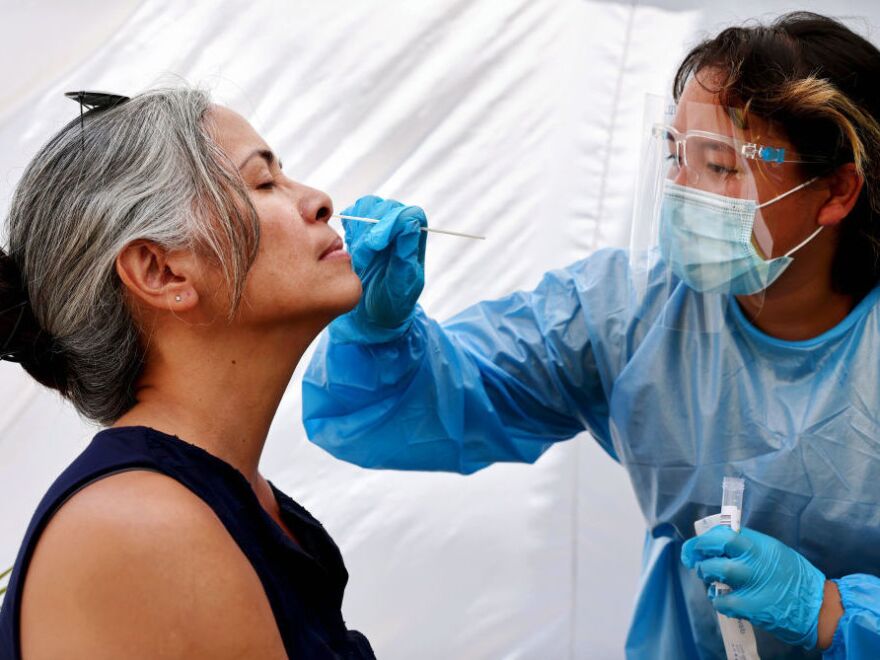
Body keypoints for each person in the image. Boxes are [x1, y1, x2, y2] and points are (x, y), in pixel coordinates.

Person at [302, 12, 880, 659]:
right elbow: (417, 407)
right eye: (673, 155)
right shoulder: (629, 313)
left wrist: (832, 612)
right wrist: (382, 331)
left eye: (717, 165)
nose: (680, 192)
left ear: (835, 190)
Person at [0, 88, 375, 659]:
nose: (320, 201)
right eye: (264, 182)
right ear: (162, 270)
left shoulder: (233, 499)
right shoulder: (141, 527)